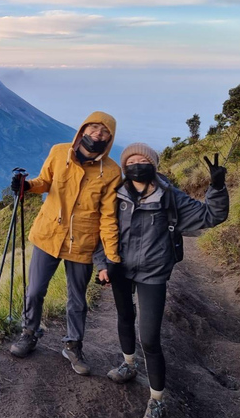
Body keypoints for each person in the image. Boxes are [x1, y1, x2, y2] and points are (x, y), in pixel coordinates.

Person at [96, 143, 229, 418]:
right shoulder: (114, 194)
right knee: (124, 317)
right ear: (124, 166)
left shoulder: (170, 196)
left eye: (142, 159)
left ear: (153, 165)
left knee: (150, 337)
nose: (136, 164)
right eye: (130, 160)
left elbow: (211, 216)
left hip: (153, 273)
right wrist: (102, 265)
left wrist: (217, 188)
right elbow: (99, 230)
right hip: (119, 268)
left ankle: (157, 398)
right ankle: (128, 364)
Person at [9, 111, 121, 376]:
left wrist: (111, 259)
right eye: (93, 128)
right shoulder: (59, 152)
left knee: (77, 300)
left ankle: (73, 344)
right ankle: (29, 332)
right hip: (49, 235)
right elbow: (44, 182)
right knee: (35, 290)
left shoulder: (112, 172)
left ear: (110, 138)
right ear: (83, 130)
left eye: (104, 131)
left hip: (83, 242)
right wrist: (26, 186)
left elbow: (108, 218)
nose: (97, 134)